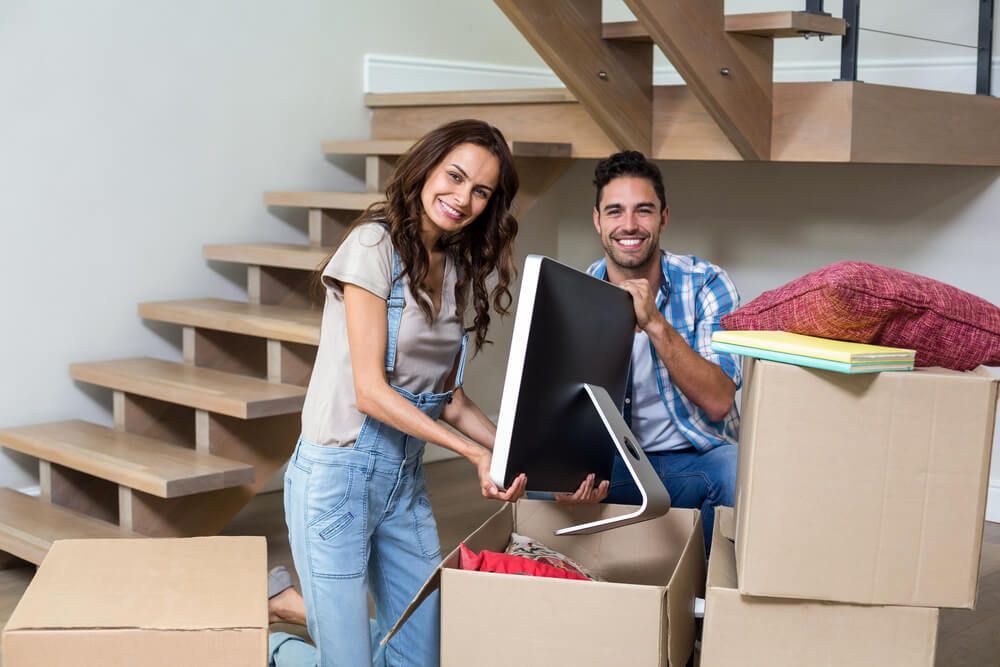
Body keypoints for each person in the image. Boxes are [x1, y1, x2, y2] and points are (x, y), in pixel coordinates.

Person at [267, 119, 528, 667]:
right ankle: (270, 647)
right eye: (454, 177)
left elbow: (449, 398)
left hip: (402, 483)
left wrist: (514, 451)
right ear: (426, 168)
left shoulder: (456, 266)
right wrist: (473, 454)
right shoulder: (371, 245)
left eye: (480, 191)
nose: (462, 199)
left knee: (419, 655)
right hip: (336, 480)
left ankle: (301, 606)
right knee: (348, 662)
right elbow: (370, 392)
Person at [557, 151, 741, 552]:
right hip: (618, 467)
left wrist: (655, 322)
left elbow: (719, 401)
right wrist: (567, 471)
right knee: (544, 491)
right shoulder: (576, 294)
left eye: (643, 211)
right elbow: (563, 408)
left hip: (694, 461)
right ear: (597, 220)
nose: (629, 225)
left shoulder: (708, 283)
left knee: (735, 471)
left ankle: (711, 608)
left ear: (663, 218)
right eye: (615, 212)